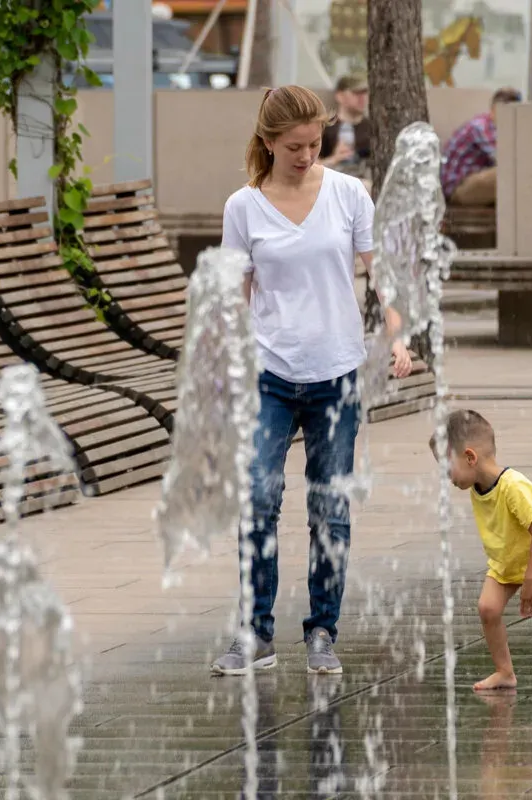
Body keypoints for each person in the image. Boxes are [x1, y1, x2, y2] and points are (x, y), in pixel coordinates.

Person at [213, 85, 412, 677]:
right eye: (295, 146)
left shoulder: (349, 194)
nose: (307, 155)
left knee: (330, 507)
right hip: (268, 374)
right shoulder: (243, 207)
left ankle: (322, 630)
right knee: (258, 498)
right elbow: (234, 291)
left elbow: (384, 278)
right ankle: (255, 634)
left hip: (335, 373)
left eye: (316, 142)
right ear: (269, 142)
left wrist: (397, 337)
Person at [430, 409, 532, 693]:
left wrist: (531, 582)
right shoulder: (478, 486)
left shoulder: (512, 486)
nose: (446, 477)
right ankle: (504, 672)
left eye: (446, 467)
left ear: (470, 457)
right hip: (508, 561)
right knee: (487, 608)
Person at [439, 87, 522, 207]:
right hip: (458, 188)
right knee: (510, 174)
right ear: (494, 110)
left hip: (469, 181)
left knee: (513, 174)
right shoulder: (482, 127)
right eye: (507, 111)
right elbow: (505, 158)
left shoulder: (495, 126)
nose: (512, 115)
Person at [319, 73, 372, 181]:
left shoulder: (373, 128)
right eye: (356, 93)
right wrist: (334, 159)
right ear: (340, 96)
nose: (362, 98)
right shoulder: (325, 126)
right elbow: (309, 164)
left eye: (365, 93)